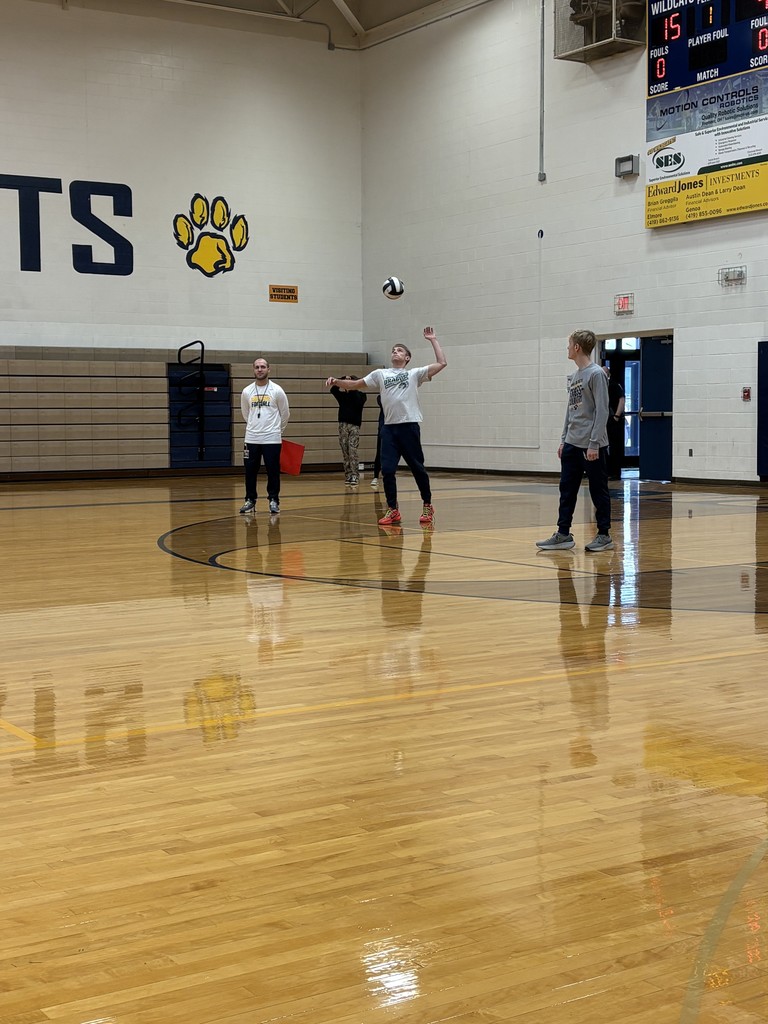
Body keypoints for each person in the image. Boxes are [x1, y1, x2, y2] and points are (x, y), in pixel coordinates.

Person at [325, 326, 447, 527]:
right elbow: (355, 385)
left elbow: (442, 362)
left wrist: (433, 339)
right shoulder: (380, 374)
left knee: (417, 469)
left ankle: (427, 504)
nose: (395, 352)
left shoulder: (414, 374)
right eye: (393, 350)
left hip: (409, 427)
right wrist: (336, 381)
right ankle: (393, 509)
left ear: (407, 358)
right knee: (388, 471)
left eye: (400, 350)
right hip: (389, 429)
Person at [536, 329, 613, 552]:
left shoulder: (596, 374)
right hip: (572, 443)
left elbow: (602, 412)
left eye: (569, 344)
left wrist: (594, 443)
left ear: (577, 347)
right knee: (566, 491)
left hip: (591, 446)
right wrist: (563, 440)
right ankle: (563, 534)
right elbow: (571, 412)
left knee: (599, 491)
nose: (567, 348)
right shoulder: (576, 375)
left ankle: (604, 535)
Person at [239, 357, 290, 515]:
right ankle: (250, 500)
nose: (259, 369)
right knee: (250, 471)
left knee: (273, 471)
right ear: (253, 370)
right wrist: (255, 428)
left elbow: (285, 414)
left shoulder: (277, 390)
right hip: (252, 438)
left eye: (262, 367)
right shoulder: (247, 391)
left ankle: (274, 500)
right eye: (257, 367)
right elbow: (246, 414)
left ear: (269, 369)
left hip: (272, 439)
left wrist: (276, 431)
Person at [329, 376, 367, 485]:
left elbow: (358, 401)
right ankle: (348, 475)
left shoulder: (361, 395)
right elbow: (333, 389)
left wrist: (352, 386)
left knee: (352, 451)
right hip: (343, 425)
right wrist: (341, 380)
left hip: (354, 426)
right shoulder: (342, 396)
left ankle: (355, 475)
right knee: (345, 451)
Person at [603, 365, 625, 480]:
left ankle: (615, 473)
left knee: (614, 447)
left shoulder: (614, 385)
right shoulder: (601, 386)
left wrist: (616, 416)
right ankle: (607, 471)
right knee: (605, 446)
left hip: (613, 419)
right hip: (604, 420)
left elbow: (622, 399)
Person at [370, 395, 384, 490]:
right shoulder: (381, 397)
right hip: (383, 429)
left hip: (396, 428)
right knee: (379, 452)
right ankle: (375, 476)